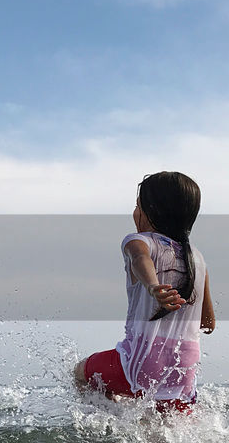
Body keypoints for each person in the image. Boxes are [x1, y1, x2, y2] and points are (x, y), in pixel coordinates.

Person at [75, 171, 215, 411]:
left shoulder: (138, 241)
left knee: (80, 373)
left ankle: (114, 425)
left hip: (141, 362)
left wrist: (153, 287)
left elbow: (140, 258)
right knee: (169, 429)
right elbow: (208, 323)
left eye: (137, 205)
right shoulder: (197, 259)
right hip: (184, 368)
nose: (134, 212)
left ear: (150, 211)